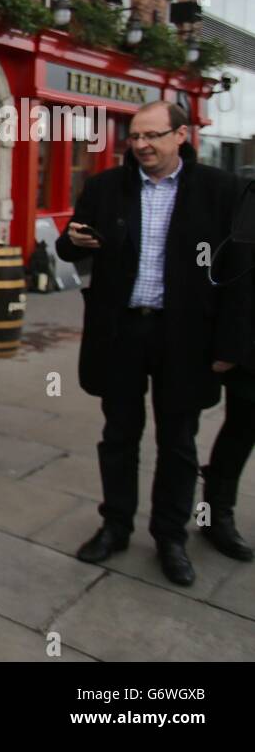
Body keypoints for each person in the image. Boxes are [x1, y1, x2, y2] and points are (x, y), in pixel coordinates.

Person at [56, 100, 247, 586]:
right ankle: (115, 526)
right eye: (135, 136)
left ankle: (171, 537)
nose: (141, 145)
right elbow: (65, 245)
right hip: (121, 333)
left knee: (178, 442)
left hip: (186, 337)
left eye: (153, 135)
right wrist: (73, 239)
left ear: (181, 135)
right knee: (118, 436)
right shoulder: (105, 187)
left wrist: (229, 346)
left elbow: (237, 274)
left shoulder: (220, 191)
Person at [201, 179, 255, 562]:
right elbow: (238, 276)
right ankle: (216, 514)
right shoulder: (246, 198)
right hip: (250, 347)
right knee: (242, 429)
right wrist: (230, 348)